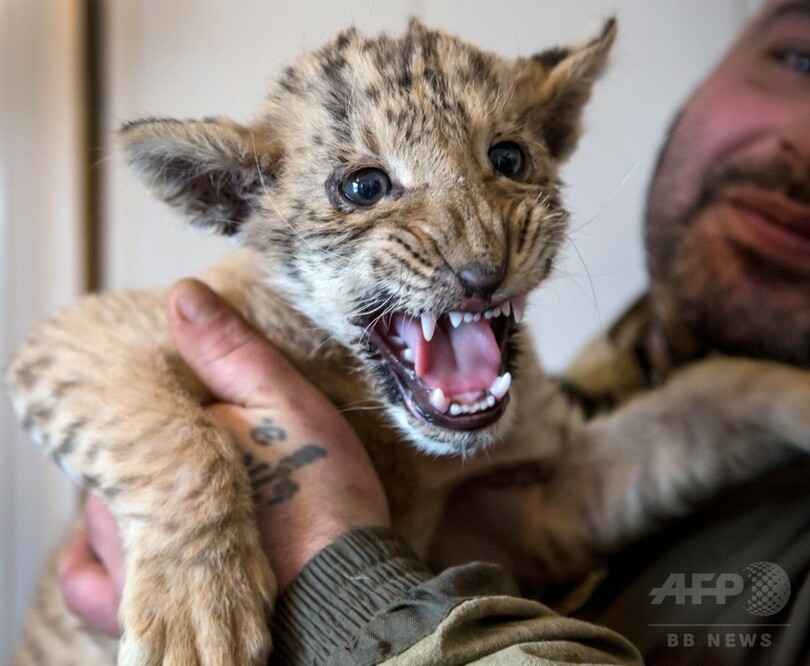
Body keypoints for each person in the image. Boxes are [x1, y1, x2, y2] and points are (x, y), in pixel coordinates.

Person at [60, 0, 810, 662]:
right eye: (364, 187)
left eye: (507, 159)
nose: (479, 251)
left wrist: (337, 574)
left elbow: (568, 503)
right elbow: (61, 359)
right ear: (229, 191)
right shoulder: (249, 314)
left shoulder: (488, 372)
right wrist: (192, 526)